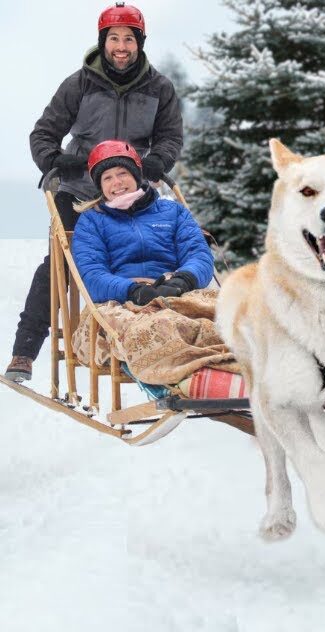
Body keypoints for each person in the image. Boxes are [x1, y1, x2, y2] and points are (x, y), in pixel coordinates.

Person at [6, 2, 183, 383]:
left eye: (129, 39)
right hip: (80, 190)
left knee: (142, 258)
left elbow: (170, 137)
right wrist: (55, 160)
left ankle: (145, 343)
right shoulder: (79, 83)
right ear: (103, 42)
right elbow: (43, 133)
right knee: (63, 265)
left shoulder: (159, 88)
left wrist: (157, 162)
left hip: (130, 190)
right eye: (114, 38)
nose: (122, 47)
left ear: (140, 43)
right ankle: (24, 351)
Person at [71, 141, 213, 308]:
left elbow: (198, 255)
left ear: (136, 176)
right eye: (107, 178)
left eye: (122, 173)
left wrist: (182, 281)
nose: (116, 182)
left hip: (177, 293)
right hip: (121, 301)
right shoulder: (91, 221)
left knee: (222, 327)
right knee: (160, 329)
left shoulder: (174, 212)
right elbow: (93, 275)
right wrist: (134, 291)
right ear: (100, 186)